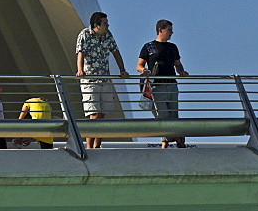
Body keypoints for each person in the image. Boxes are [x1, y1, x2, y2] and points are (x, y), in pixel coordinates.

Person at [75, 11, 131, 149]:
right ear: (96, 25)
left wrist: (122, 70)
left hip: (104, 79)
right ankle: (89, 147)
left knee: (101, 115)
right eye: (105, 23)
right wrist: (80, 69)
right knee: (93, 114)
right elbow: (80, 52)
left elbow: (115, 52)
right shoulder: (85, 34)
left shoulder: (108, 35)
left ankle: (97, 146)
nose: (108, 25)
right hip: (90, 80)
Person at [137, 19, 189, 148]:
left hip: (171, 84)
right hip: (156, 86)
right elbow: (139, 65)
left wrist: (182, 71)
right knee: (163, 115)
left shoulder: (173, 47)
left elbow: (178, 64)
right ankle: (178, 139)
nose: (171, 32)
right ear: (161, 30)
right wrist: (144, 70)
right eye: (169, 29)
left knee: (173, 115)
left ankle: (165, 144)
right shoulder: (149, 46)